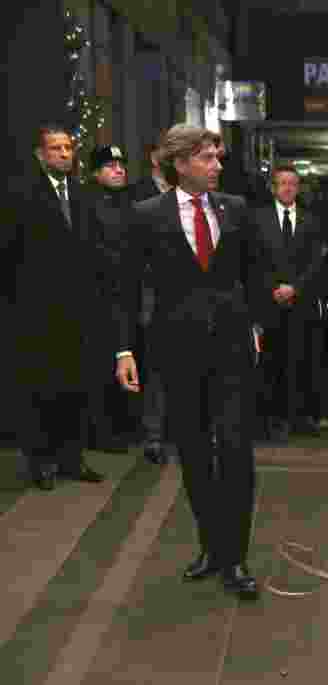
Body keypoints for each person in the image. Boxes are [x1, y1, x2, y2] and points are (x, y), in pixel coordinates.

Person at [115, 124, 270, 599]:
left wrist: (258, 326)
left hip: (232, 350)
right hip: (177, 352)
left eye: (218, 157)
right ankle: (211, 547)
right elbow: (125, 289)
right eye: (207, 158)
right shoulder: (145, 215)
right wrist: (125, 350)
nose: (217, 165)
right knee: (197, 454)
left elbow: (256, 273)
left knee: (237, 451)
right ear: (179, 164)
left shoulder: (236, 209)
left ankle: (236, 558)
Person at [2, 123, 105, 490]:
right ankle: (41, 461)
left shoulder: (82, 194)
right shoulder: (21, 194)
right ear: (40, 154)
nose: (64, 154)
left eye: (67, 148)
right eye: (55, 148)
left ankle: (71, 457)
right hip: (36, 311)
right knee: (41, 387)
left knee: (76, 385)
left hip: (78, 310)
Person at [250, 164, 328, 440]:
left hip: (301, 301)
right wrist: (273, 288)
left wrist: (295, 288)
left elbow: (317, 262)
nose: (287, 188)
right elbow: (253, 261)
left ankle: (299, 417)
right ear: (273, 187)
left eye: (292, 183)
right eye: (282, 183)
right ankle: (272, 419)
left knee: (301, 361)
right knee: (270, 363)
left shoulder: (312, 220)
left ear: (298, 188)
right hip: (268, 302)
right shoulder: (257, 219)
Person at [82, 144, 137, 452]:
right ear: (95, 173)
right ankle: (101, 431)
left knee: (127, 358)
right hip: (100, 295)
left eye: (121, 165)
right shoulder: (88, 204)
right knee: (103, 364)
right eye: (110, 166)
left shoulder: (130, 201)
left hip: (128, 292)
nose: (119, 170)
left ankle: (122, 427)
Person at [127, 134, 174, 464]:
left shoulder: (196, 194)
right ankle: (154, 435)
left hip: (190, 298)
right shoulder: (138, 198)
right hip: (154, 297)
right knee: (156, 369)